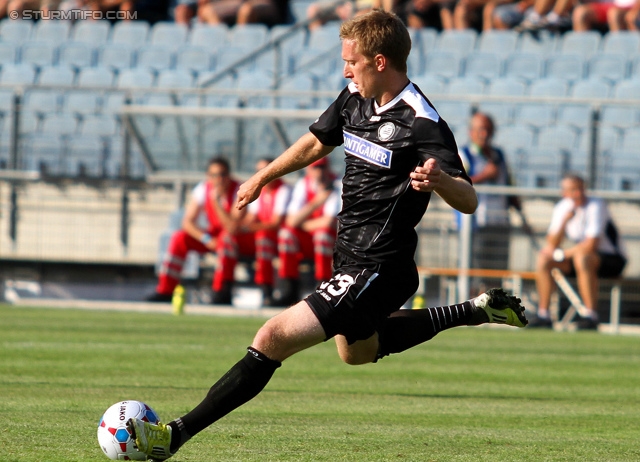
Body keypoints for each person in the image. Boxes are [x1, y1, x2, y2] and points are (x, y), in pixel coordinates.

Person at [127, 10, 528, 460]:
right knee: (355, 354)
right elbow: (317, 141)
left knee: (272, 337)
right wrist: (263, 177)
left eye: (351, 61)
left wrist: (440, 182)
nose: (345, 70)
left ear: (380, 61)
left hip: (379, 264)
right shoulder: (355, 97)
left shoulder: (422, 121)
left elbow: (469, 199)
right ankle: (471, 311)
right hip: (350, 257)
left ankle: (172, 436)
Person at [145, 157, 249, 305]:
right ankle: (166, 290)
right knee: (179, 238)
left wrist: (216, 203)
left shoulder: (239, 190)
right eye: (214, 175)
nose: (219, 179)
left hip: (239, 238)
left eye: (223, 174)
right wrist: (206, 239)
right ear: (208, 176)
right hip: (215, 236)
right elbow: (187, 222)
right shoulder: (203, 189)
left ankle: (221, 291)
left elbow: (232, 227)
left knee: (227, 239)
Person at [531, 174, 627, 329]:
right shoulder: (562, 208)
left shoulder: (596, 205)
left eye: (580, 189)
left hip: (611, 259)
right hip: (579, 259)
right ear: (564, 193)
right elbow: (552, 243)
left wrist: (561, 255)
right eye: (573, 190)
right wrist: (564, 221)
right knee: (544, 260)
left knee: (582, 258)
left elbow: (591, 245)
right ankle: (544, 315)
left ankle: (591, 316)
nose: (578, 194)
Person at [456, 112, 519, 274]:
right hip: (475, 225)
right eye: (481, 130)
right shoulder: (464, 154)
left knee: (496, 273)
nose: (485, 135)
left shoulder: (499, 155)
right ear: (471, 132)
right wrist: (484, 176)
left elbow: (508, 183)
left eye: (488, 130)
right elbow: (456, 184)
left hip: (499, 222)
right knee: (476, 272)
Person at [275, 156, 340, 306]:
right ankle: (289, 288)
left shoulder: (337, 184)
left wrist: (301, 223)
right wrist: (318, 201)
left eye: (322, 168)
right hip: (307, 239)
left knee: (322, 236)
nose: (319, 172)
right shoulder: (303, 185)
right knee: (286, 235)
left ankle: (322, 286)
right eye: (315, 168)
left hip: (331, 239)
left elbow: (329, 222)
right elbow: (291, 221)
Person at [236, 157, 292, 306]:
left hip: (279, 238)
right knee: (229, 239)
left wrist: (247, 228)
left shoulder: (283, 190)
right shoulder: (260, 191)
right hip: (262, 235)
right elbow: (251, 218)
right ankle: (223, 288)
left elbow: (276, 223)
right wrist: (238, 227)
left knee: (264, 239)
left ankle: (272, 290)